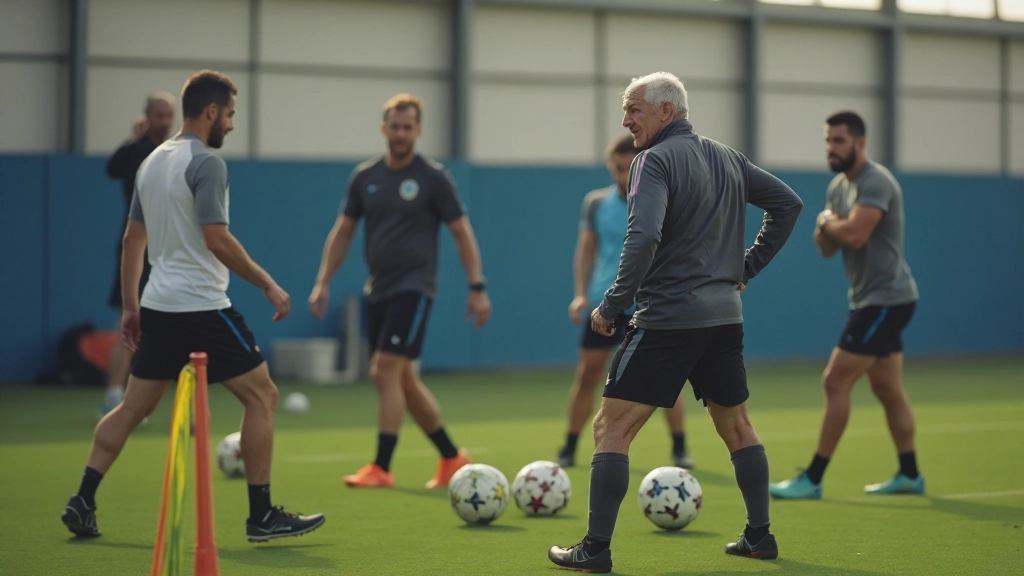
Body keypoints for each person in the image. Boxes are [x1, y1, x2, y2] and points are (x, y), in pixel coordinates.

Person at [547, 71, 803, 572]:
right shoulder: (729, 157)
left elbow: (641, 240)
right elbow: (788, 205)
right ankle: (760, 536)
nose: (626, 120)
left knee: (611, 426)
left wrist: (612, 305)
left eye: (634, 110)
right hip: (724, 319)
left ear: (666, 111)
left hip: (666, 319)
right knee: (738, 426)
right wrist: (743, 268)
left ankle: (595, 550)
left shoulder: (653, 160)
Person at [61, 70, 325, 542]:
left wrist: (130, 307)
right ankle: (262, 517)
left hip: (159, 307)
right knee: (262, 396)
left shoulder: (151, 162)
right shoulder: (208, 164)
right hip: (203, 308)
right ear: (211, 112)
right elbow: (216, 238)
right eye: (229, 115)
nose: (230, 123)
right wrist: (267, 282)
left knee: (132, 408)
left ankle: (83, 497)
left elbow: (132, 240)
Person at [309, 94, 491, 489]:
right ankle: (451, 457)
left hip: (415, 287)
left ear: (418, 131)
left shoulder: (434, 178)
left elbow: (462, 233)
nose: (401, 133)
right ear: (384, 128)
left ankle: (381, 467)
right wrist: (323, 281)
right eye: (395, 126)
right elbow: (342, 232)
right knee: (403, 380)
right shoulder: (365, 177)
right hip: (378, 288)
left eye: (408, 127)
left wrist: (477, 287)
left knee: (382, 370)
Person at [769, 111, 922, 500]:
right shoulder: (838, 187)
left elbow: (854, 235)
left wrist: (827, 223)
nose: (831, 148)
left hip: (886, 300)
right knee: (887, 387)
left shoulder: (876, 181)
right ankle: (910, 474)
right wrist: (828, 225)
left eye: (839, 141)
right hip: (870, 299)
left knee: (835, 380)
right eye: (827, 141)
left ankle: (813, 478)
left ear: (859, 143)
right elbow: (826, 247)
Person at [559, 134, 691, 470]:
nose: (622, 175)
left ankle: (680, 449)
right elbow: (586, 250)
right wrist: (580, 294)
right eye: (617, 168)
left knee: (665, 379)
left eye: (628, 168)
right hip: (606, 304)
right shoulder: (596, 204)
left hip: (650, 304)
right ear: (610, 167)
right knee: (588, 374)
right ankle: (569, 447)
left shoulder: (660, 200)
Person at [99, 92, 175, 418]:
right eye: (159, 115)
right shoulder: (135, 153)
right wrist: (133, 137)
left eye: (169, 115)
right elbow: (112, 169)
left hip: (168, 250)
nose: (164, 121)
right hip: (135, 247)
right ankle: (114, 396)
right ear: (147, 118)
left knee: (170, 325)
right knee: (127, 322)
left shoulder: (175, 153)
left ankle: (166, 403)